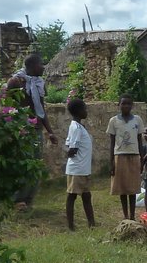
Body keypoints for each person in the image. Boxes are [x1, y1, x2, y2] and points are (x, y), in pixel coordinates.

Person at [6, 53, 58, 211]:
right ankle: (17, 200)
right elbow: (7, 107)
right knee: (24, 165)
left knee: (35, 165)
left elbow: (41, 109)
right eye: (40, 64)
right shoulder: (15, 82)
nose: (43, 67)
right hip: (21, 130)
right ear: (31, 66)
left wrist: (50, 132)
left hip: (36, 130)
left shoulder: (39, 83)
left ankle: (28, 199)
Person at [107, 95, 144, 220]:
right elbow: (112, 143)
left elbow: (140, 141)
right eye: (123, 103)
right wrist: (111, 161)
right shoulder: (113, 121)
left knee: (132, 188)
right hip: (120, 157)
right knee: (122, 188)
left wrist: (142, 158)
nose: (126, 106)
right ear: (119, 105)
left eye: (128, 104)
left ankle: (133, 215)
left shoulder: (137, 120)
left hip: (134, 157)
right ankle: (126, 215)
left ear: (132, 106)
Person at [64, 98, 96, 231]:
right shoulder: (76, 128)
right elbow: (72, 148)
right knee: (72, 196)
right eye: (85, 108)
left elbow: (67, 144)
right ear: (78, 111)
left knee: (86, 195)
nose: (86, 111)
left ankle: (92, 223)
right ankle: (71, 226)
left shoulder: (78, 126)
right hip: (77, 169)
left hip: (83, 169)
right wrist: (70, 155)